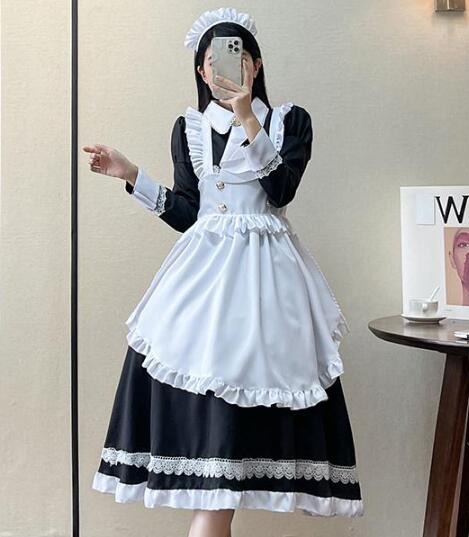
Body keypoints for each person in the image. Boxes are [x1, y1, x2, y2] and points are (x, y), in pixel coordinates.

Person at [83, 7, 363, 535]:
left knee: (248, 422)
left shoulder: (288, 121)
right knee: (207, 418)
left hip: (269, 287)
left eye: (237, 58)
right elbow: (190, 214)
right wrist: (131, 175)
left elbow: (281, 190)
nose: (224, 68)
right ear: (201, 71)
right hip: (201, 286)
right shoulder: (189, 128)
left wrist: (247, 117)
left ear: (255, 65)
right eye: (213, 61)